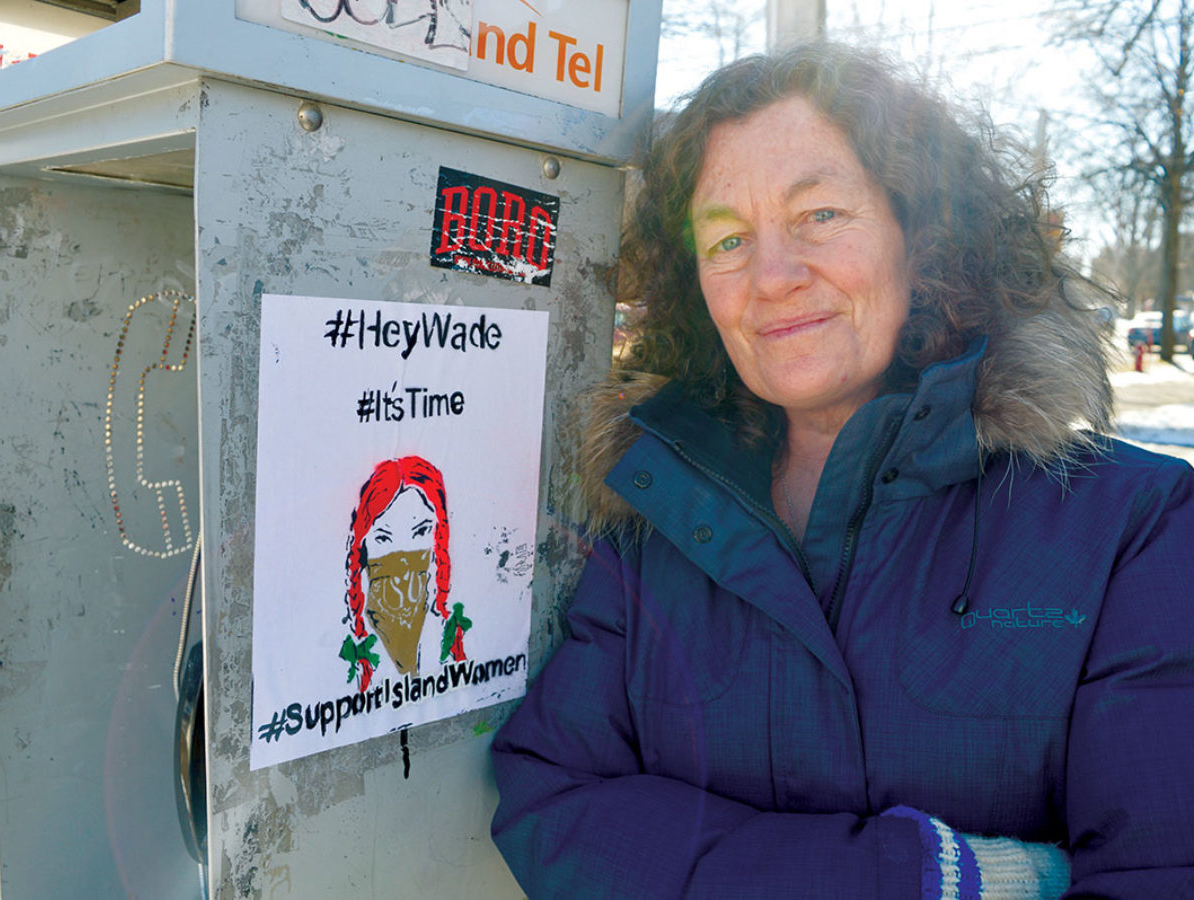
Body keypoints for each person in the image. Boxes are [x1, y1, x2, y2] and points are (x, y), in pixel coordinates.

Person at [488, 42, 1194, 899]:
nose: (772, 277)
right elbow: (551, 801)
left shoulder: (1132, 527)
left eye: (819, 214)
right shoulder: (654, 515)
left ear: (923, 238)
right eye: (728, 240)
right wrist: (924, 879)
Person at [341, 455, 465, 688]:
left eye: (420, 533)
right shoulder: (352, 641)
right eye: (383, 537)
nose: (403, 554)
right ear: (363, 544)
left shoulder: (448, 631)